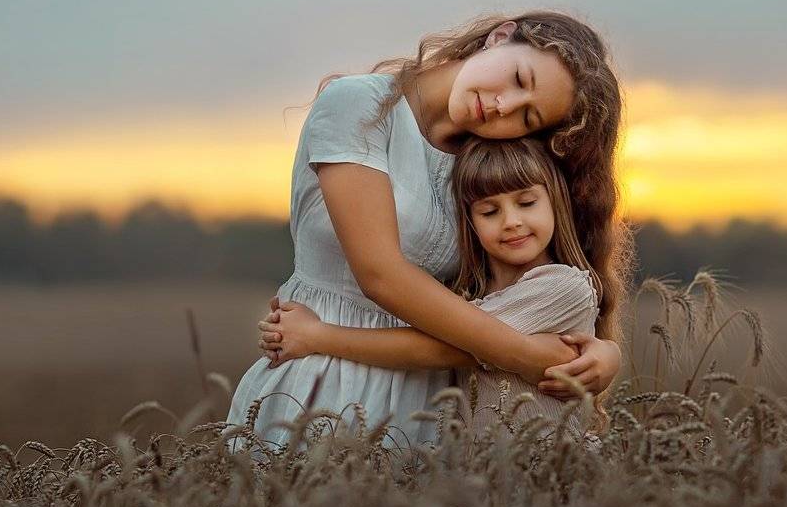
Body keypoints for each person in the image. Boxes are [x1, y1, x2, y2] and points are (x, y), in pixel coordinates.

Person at [225, 11, 629, 451]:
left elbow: (528, 293)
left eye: (527, 116)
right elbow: (381, 275)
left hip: (434, 408)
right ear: (500, 37)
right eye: (518, 77)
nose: (503, 106)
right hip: (322, 372)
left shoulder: (485, 169)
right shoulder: (358, 106)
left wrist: (599, 352)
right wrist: (530, 357)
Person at [259, 137, 609, 442]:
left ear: (556, 202)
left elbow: (443, 350)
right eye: (490, 211)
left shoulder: (563, 287)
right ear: (470, 223)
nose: (512, 221)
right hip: (484, 482)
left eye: (527, 203)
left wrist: (317, 335)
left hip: (546, 474)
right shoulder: (465, 294)